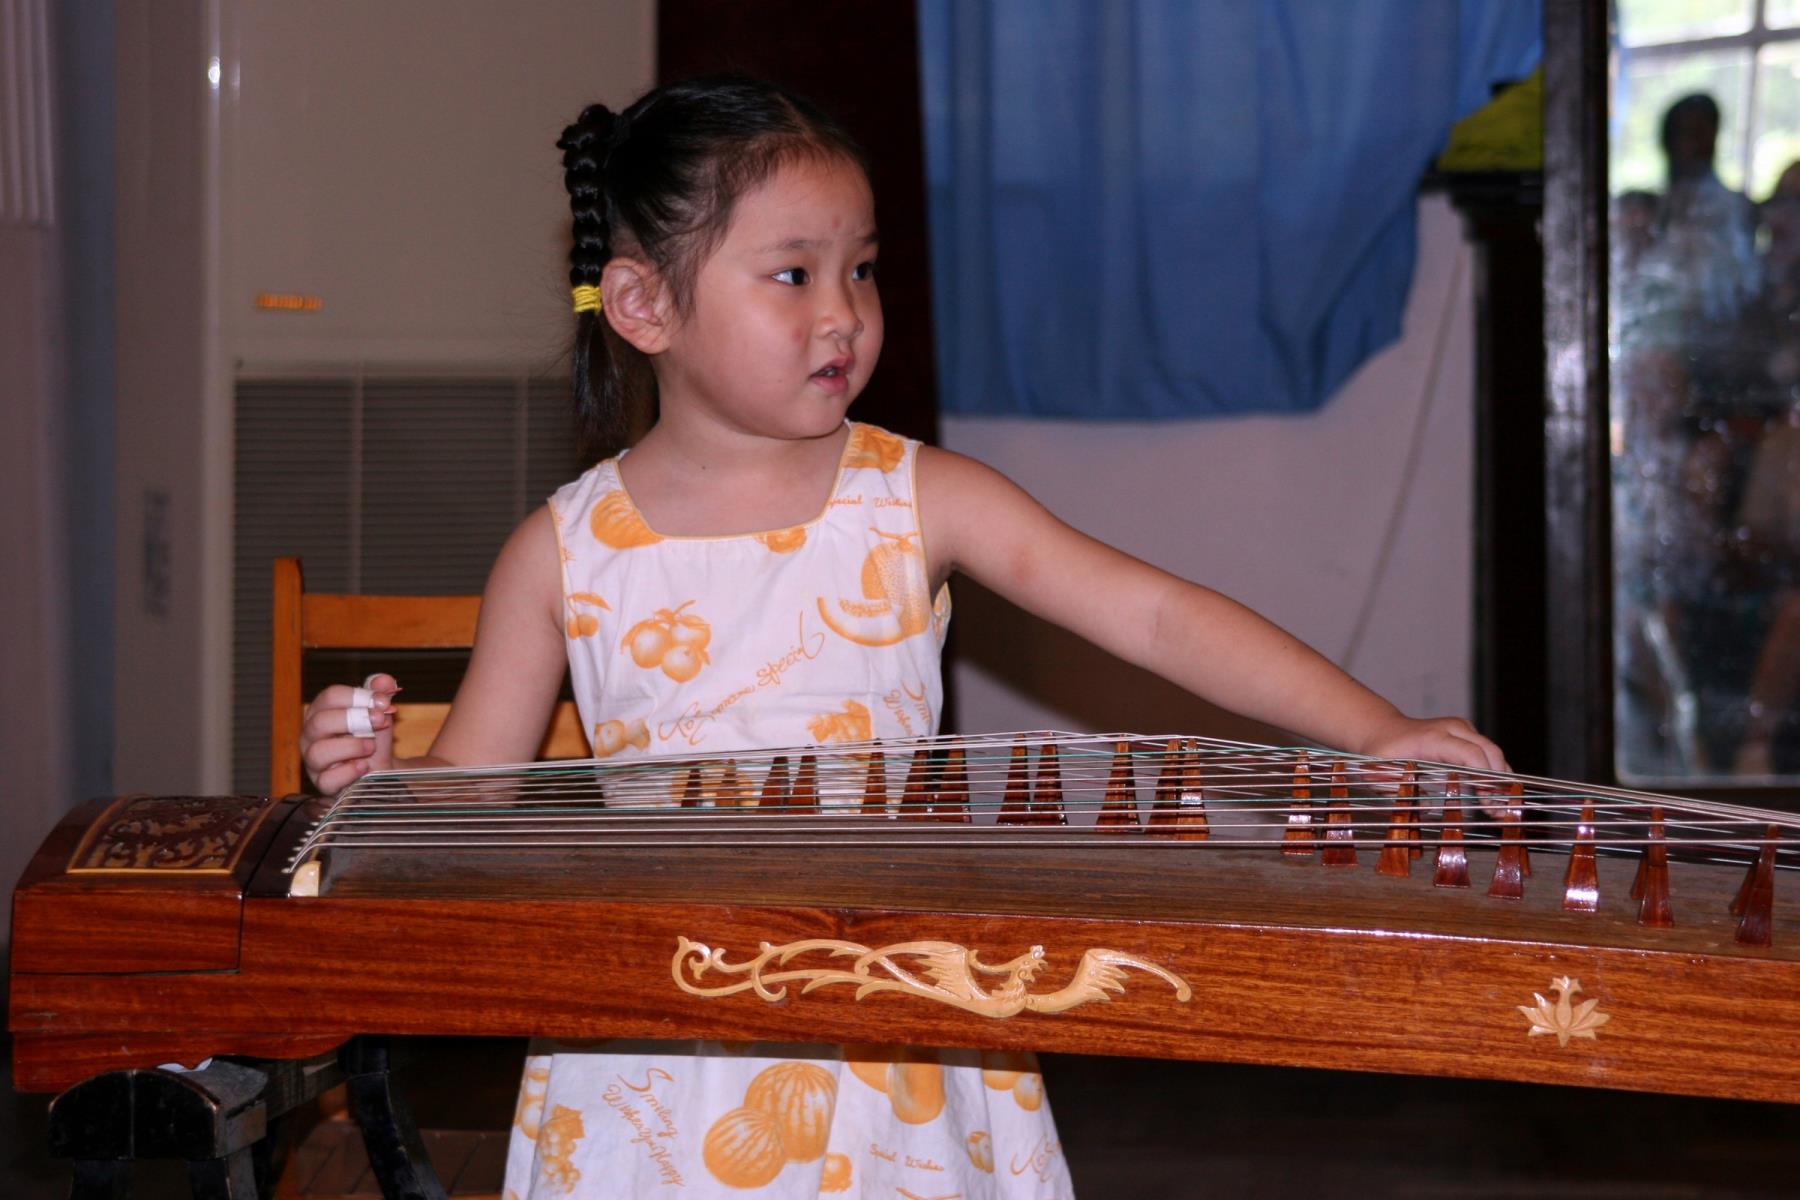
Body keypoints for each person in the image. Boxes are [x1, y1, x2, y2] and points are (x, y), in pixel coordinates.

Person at [299, 74, 1506, 1200]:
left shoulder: (915, 497)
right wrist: (379, 783)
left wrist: (1373, 728)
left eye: (863, 270)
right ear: (643, 305)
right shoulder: (563, 549)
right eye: (794, 275)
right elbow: (474, 794)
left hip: (894, 1023)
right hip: (658, 1051)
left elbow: (1152, 614)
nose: (845, 315)